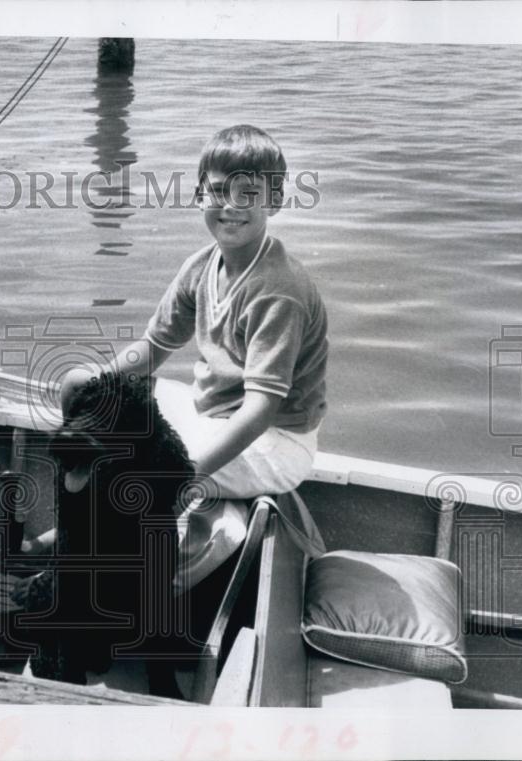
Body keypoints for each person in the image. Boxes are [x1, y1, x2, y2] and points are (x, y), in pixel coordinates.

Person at [61, 124, 329, 592]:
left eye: (249, 193)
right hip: (211, 411)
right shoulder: (202, 266)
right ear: (199, 195)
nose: (230, 205)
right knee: (85, 392)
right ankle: (69, 543)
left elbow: (261, 409)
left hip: (275, 439)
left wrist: (182, 477)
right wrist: (95, 385)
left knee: (138, 470)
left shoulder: (280, 290)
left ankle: (123, 586)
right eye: (218, 190)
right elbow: (151, 350)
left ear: (276, 201)